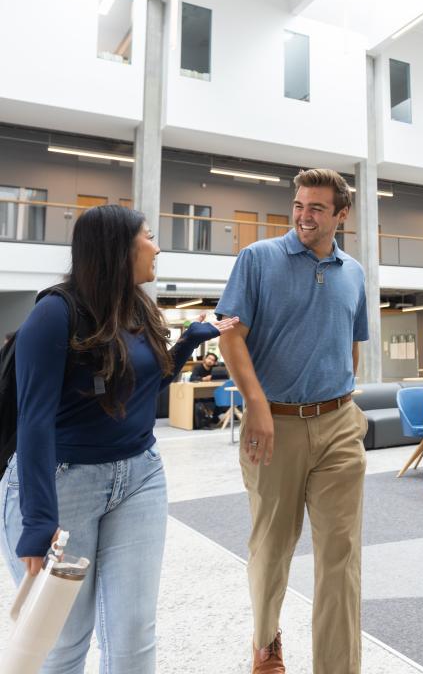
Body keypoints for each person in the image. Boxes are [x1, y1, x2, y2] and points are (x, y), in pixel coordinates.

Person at [0, 205, 239, 672]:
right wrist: (38, 520)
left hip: (139, 478)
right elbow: (34, 420)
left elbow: (144, 389)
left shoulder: (136, 309)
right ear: (119, 249)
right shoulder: (53, 314)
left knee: (133, 637)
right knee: (63, 644)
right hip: (61, 483)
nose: (158, 246)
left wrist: (191, 339)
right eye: (149, 236)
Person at [216, 168, 369, 674]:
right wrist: (255, 403)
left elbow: (351, 344)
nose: (305, 215)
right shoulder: (258, 259)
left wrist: (347, 402)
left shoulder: (355, 272)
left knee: (341, 557)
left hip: (339, 425)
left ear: (341, 215)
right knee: (272, 547)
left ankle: (339, 666)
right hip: (273, 426)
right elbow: (231, 337)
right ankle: (265, 642)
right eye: (300, 205)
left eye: (318, 208)